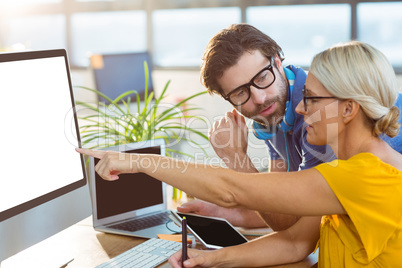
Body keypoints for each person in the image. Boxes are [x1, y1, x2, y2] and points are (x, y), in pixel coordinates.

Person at [77, 41, 402, 267]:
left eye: (312, 99)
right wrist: (212, 259)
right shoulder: (349, 168)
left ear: (348, 109)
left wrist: (140, 162)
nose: (301, 109)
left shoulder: (365, 176)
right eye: (241, 93)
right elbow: (295, 242)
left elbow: (233, 190)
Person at [177, 23, 402, 231]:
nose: (259, 98)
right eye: (240, 92)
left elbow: (293, 222)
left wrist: (236, 158)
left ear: (277, 61)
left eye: (262, 77)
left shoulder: (320, 117)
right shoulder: (272, 114)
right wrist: (225, 213)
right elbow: (281, 205)